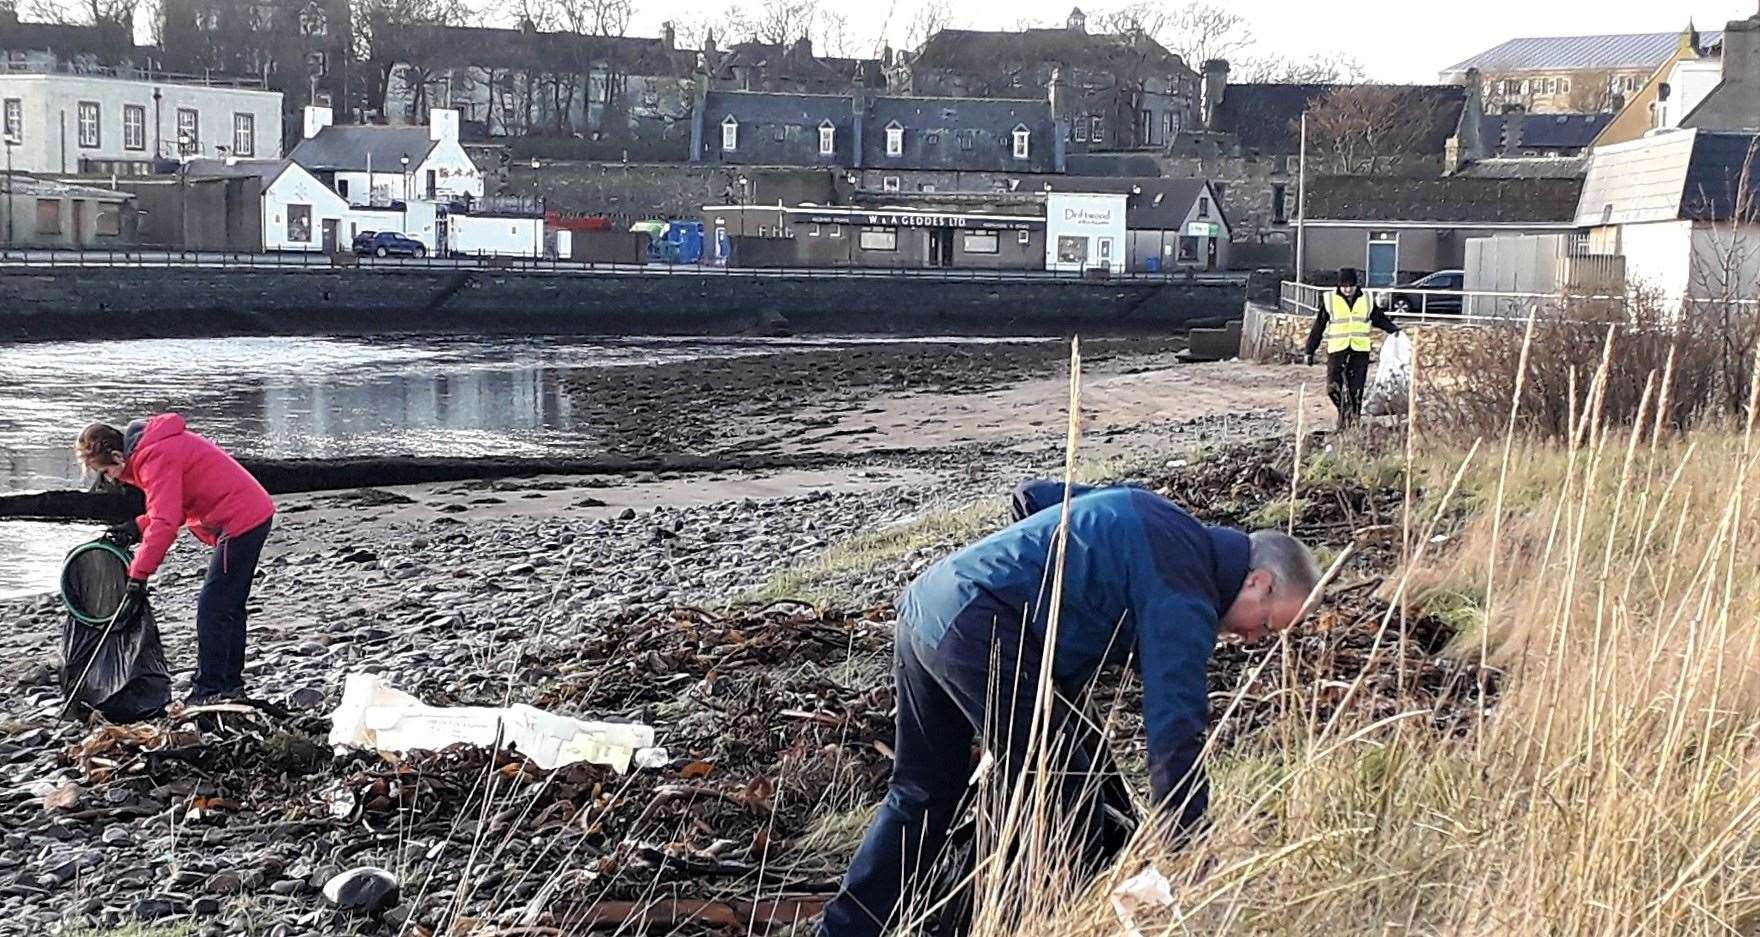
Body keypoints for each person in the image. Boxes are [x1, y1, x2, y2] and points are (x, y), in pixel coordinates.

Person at [820, 480, 1322, 937]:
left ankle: (843, 932)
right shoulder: (1186, 593)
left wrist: (1038, 588)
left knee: (921, 791)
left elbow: (1033, 497)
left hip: (930, 602)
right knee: (1067, 798)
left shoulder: (1161, 517)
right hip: (983, 632)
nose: (1253, 639)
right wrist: (1189, 851)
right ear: (1257, 581)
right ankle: (1006, 922)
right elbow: (1175, 731)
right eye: (1268, 625)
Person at [75, 415, 276, 704]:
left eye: (106, 470)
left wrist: (139, 573)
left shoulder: (154, 457)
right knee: (228, 606)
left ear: (119, 456)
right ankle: (228, 685)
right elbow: (173, 508)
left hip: (242, 519)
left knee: (214, 609)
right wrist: (135, 528)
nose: (108, 478)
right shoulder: (154, 449)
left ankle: (209, 689)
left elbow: (166, 522)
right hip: (249, 511)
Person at [1303, 267, 1401, 428]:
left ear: (1356, 285)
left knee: (1356, 390)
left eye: (1351, 285)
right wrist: (1309, 351)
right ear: (1339, 286)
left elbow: (1378, 319)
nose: (1347, 289)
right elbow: (1318, 327)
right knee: (1332, 388)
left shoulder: (1367, 299)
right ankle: (1344, 412)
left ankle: (1353, 422)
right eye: (1344, 286)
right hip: (1337, 350)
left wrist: (1394, 330)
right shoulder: (1330, 300)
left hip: (1359, 350)